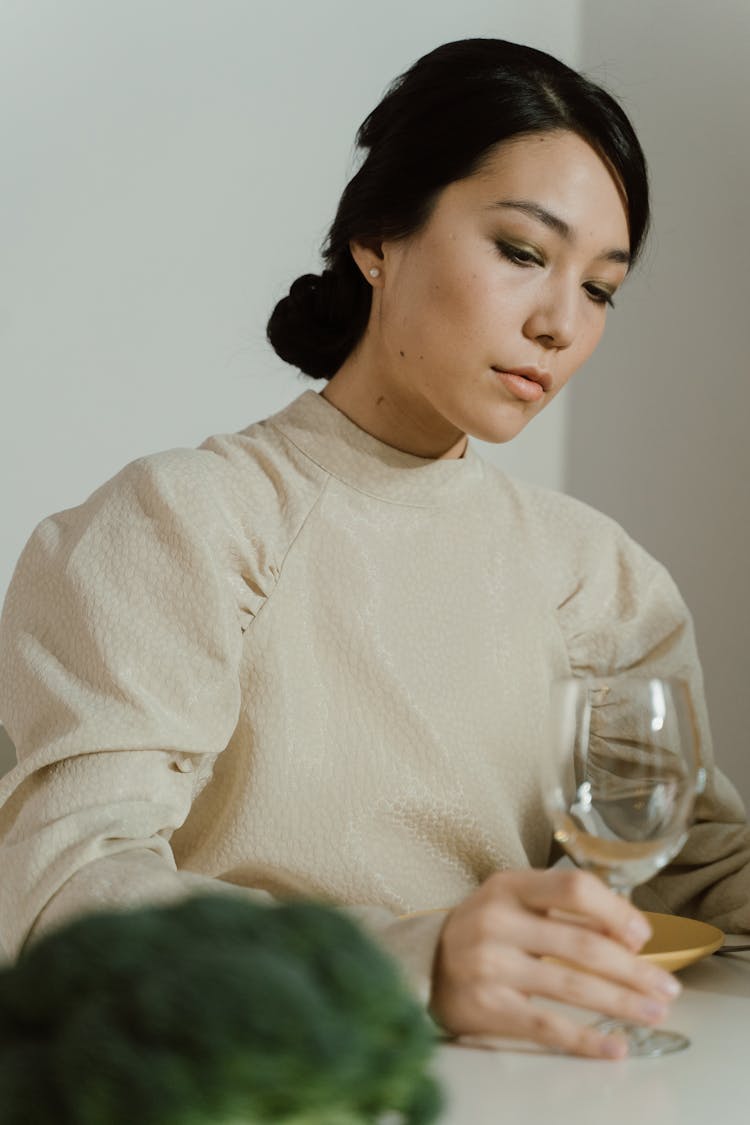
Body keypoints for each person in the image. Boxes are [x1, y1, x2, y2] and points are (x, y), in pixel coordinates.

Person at [0, 38, 748, 1062]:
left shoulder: (603, 582)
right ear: (378, 236)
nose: (559, 324)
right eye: (525, 253)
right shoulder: (180, 523)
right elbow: (59, 893)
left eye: (602, 289)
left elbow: (694, 879)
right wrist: (412, 959)